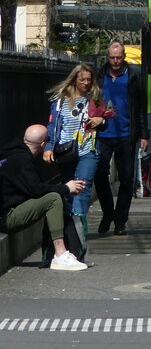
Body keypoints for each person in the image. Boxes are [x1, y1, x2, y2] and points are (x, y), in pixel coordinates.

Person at [0, 124, 89, 271]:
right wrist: (66, 188)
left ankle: (58, 253)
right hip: (7, 217)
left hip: (6, 211)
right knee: (53, 198)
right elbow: (36, 190)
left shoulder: (10, 154)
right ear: (43, 144)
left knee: (52, 196)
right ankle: (60, 254)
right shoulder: (23, 160)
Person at [45, 63, 107, 253]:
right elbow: (53, 125)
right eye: (82, 79)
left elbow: (107, 118)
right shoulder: (61, 100)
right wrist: (49, 148)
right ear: (75, 79)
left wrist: (101, 120)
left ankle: (79, 242)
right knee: (68, 191)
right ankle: (67, 237)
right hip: (66, 152)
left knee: (82, 186)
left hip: (88, 149)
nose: (86, 83)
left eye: (89, 79)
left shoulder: (95, 99)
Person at [95, 40, 148, 235]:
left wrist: (144, 134)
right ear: (107, 57)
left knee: (126, 179)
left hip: (126, 134)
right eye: (112, 58)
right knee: (99, 175)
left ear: (124, 57)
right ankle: (108, 213)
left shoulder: (134, 77)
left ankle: (120, 221)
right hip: (103, 134)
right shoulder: (99, 75)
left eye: (118, 57)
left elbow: (141, 107)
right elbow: (91, 99)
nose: (115, 61)